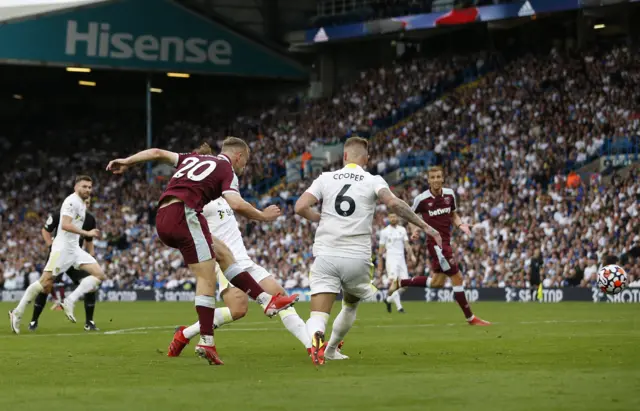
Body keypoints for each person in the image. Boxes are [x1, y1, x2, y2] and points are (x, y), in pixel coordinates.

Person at [106, 139, 298, 365]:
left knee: (224, 254)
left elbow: (157, 151)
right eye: (245, 160)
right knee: (206, 277)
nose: (245, 166)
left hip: (163, 217)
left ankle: (265, 300)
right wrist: (263, 216)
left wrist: (128, 161)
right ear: (238, 156)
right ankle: (207, 340)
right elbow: (236, 204)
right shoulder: (227, 168)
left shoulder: (192, 157)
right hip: (184, 214)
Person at [295, 137, 442, 366]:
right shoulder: (373, 180)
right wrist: (425, 226)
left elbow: (300, 206)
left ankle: (316, 337)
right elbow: (394, 204)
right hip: (356, 257)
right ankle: (331, 349)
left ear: (344, 156)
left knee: (318, 315)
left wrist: (319, 218)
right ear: (366, 159)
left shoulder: (325, 178)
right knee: (350, 304)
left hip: (326, 254)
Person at [167, 197, 312, 357]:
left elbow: (240, 205)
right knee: (237, 310)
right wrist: (263, 215)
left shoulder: (225, 196)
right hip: (228, 263)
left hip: (245, 261)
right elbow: (184, 218)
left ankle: (311, 346)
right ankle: (184, 334)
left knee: (280, 296)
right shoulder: (203, 198)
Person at [387, 166, 490, 326]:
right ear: (428, 180)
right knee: (457, 277)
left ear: (442, 178)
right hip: (435, 245)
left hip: (446, 242)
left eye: (438, 177)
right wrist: (414, 230)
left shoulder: (449, 195)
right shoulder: (421, 199)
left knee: (437, 283)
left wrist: (461, 224)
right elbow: (410, 217)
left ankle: (401, 282)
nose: (435, 180)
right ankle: (470, 318)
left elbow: (453, 214)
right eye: (432, 177)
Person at [9, 176, 105, 333]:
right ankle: (17, 313)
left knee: (99, 275)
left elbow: (84, 237)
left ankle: (70, 301)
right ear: (76, 187)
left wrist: (89, 244)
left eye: (89, 187)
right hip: (61, 249)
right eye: (84, 186)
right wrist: (86, 232)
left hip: (74, 249)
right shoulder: (71, 202)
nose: (88, 189)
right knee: (45, 283)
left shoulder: (82, 205)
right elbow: (66, 225)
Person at [29, 198, 100, 331]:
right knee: (46, 287)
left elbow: (89, 240)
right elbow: (45, 230)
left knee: (90, 285)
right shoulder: (61, 214)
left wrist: (92, 254)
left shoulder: (90, 219)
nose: (85, 205)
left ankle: (89, 322)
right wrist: (51, 245)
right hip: (58, 256)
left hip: (74, 257)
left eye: (88, 203)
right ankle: (33, 321)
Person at [378, 212, 416, 313]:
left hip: (401, 259)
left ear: (397, 218)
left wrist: (411, 255)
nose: (393, 218)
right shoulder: (384, 232)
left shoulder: (402, 229)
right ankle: (400, 308)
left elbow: (407, 244)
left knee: (405, 285)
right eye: (391, 217)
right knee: (394, 283)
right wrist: (380, 265)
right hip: (391, 259)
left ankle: (388, 300)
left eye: (394, 216)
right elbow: (381, 250)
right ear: (388, 219)